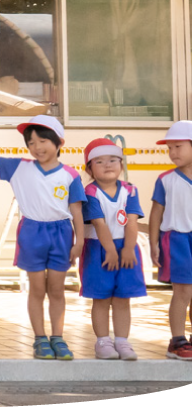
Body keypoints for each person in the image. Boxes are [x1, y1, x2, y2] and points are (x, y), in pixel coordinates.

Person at [0, 115, 84, 360]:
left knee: (57, 289)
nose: (37, 147)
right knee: (37, 289)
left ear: (59, 142)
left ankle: (58, 337)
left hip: (61, 233)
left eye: (43, 141)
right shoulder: (19, 167)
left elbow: (76, 210)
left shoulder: (71, 175)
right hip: (32, 233)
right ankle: (40, 339)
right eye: (31, 143)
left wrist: (79, 242)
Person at [78, 139, 145, 361]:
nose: (108, 165)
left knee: (123, 297)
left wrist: (127, 249)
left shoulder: (130, 190)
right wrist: (111, 250)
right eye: (100, 161)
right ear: (89, 168)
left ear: (121, 164)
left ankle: (123, 341)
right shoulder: (90, 192)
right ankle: (103, 342)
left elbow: (132, 222)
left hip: (126, 247)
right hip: (99, 248)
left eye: (113, 160)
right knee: (101, 297)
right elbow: (99, 223)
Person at [151, 120, 192, 361]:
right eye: (169, 148)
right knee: (183, 291)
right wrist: (154, 243)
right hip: (177, 240)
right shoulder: (166, 179)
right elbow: (156, 211)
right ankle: (177, 340)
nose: (172, 153)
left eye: (178, 146)